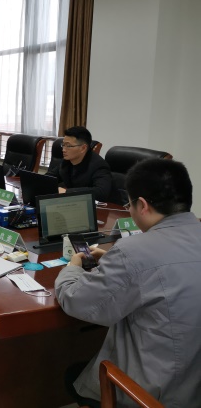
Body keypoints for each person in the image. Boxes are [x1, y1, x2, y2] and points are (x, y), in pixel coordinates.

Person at [55, 159, 201, 407]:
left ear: (142, 205)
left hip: (153, 394)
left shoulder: (134, 251)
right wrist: (114, 261)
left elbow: (76, 301)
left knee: (71, 374)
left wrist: (73, 268)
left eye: (129, 205)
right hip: (193, 386)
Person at [47, 126, 112, 202]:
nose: (63, 150)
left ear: (83, 148)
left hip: (103, 207)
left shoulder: (99, 165)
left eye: (68, 145)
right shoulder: (66, 162)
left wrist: (66, 192)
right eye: (63, 145)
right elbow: (50, 178)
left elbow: (101, 192)